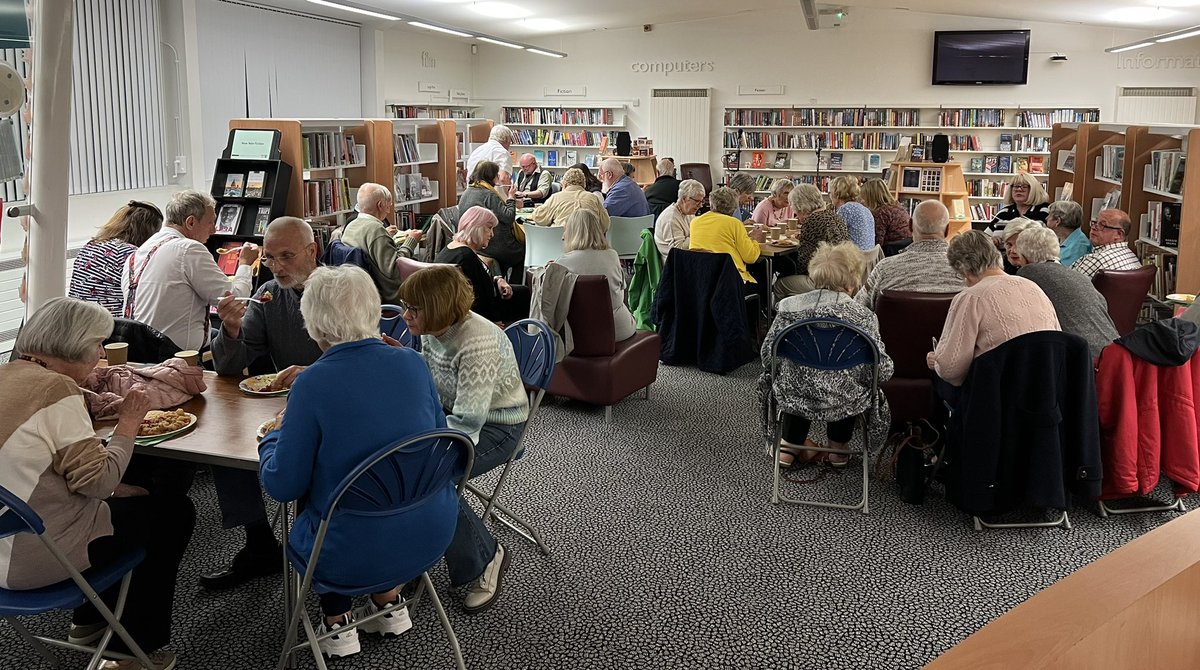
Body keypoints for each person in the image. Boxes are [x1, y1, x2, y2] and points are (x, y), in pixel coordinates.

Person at [257, 265, 486, 659]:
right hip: (429, 532)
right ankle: (389, 603)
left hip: (348, 551)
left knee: (324, 502)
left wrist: (273, 436)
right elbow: (433, 446)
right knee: (378, 487)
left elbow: (282, 485)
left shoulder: (312, 384)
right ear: (373, 313)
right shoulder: (412, 363)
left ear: (313, 325)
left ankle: (337, 625)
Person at [0, 298, 194, 670]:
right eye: (97, 343)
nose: (102, 353)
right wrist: (130, 422)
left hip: (8, 538)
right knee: (172, 512)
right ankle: (137, 649)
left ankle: (89, 620)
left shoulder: (7, 375)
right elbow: (99, 482)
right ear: (73, 343)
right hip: (34, 560)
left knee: (131, 499)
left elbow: (41, 472)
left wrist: (116, 489)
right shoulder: (56, 390)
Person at [200, 218, 325, 591]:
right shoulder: (269, 295)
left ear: (312, 250)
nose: (278, 266)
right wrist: (232, 330)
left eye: (286, 256)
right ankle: (258, 541)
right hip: (287, 406)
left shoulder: (342, 288)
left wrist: (318, 373)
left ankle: (315, 549)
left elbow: (366, 353)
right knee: (224, 444)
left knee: (312, 462)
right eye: (270, 258)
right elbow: (227, 368)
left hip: (337, 400)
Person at [399, 266, 527, 610]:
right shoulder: (430, 329)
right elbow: (429, 384)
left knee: (429, 479)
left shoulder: (477, 340)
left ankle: (486, 557)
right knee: (403, 470)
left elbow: (470, 420)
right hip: (450, 420)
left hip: (499, 427)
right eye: (405, 306)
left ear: (438, 307)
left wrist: (424, 448)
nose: (405, 315)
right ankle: (416, 556)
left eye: (414, 309)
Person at [759, 242, 893, 467]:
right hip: (845, 401)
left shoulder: (788, 308)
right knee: (850, 381)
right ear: (852, 281)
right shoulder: (863, 317)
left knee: (796, 374)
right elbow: (883, 370)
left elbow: (767, 357)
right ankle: (838, 449)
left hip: (794, 396)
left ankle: (789, 447)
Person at [122, 189, 259, 352]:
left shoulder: (139, 252)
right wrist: (245, 264)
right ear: (191, 222)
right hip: (174, 356)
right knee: (251, 340)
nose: (214, 230)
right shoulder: (189, 249)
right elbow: (235, 300)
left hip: (138, 350)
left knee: (217, 335)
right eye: (210, 222)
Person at [927, 230, 1060, 387]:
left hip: (998, 394)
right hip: (1046, 387)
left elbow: (951, 370)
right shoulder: (1034, 287)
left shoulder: (971, 297)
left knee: (940, 380)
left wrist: (937, 360)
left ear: (964, 270)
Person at [1013, 226, 1118, 360]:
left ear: (1025, 258)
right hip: (1114, 350)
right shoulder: (1077, 275)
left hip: (1086, 360)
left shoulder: (1028, 273)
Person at [856, 200, 964, 309]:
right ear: (947, 230)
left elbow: (857, 308)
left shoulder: (884, 269)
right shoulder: (967, 273)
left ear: (910, 225)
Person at [435, 206, 530, 324]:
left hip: (456, 312)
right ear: (477, 228)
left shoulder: (452, 248)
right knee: (525, 294)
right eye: (489, 228)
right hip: (479, 317)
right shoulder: (466, 257)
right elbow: (479, 300)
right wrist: (493, 322)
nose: (492, 234)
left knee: (522, 292)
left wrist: (497, 280)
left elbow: (479, 282)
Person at [69, 200, 163, 318]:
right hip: (109, 326)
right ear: (148, 232)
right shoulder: (131, 254)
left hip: (78, 319)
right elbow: (146, 298)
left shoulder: (91, 245)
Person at [554, 209, 637, 341]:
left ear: (571, 233)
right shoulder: (613, 256)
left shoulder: (562, 263)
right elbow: (621, 290)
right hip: (619, 330)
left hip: (579, 335)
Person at [339, 183, 422, 302]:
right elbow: (395, 270)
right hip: (386, 294)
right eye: (388, 206)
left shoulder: (351, 225)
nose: (388, 210)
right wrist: (411, 241)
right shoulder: (376, 230)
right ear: (380, 205)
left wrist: (386, 237)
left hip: (358, 292)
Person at [775, 184, 851, 298]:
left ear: (800, 206)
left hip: (825, 280)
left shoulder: (812, 220)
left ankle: (787, 314)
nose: (795, 212)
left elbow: (804, 263)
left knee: (780, 284)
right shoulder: (834, 216)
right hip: (843, 276)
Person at [459, 160, 525, 278]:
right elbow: (508, 217)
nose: (498, 178)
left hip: (473, 242)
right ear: (491, 176)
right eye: (496, 175)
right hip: (491, 244)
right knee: (523, 252)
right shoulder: (489, 194)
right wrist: (511, 198)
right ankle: (515, 288)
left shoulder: (466, 193)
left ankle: (501, 277)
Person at [688, 186, 765, 285]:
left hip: (702, 279)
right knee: (762, 274)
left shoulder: (695, 222)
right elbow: (750, 257)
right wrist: (755, 240)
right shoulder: (734, 223)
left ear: (711, 204)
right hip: (730, 280)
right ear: (734, 207)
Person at [529, 167, 611, 231]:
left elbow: (538, 218)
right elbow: (605, 224)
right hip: (590, 246)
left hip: (561, 245)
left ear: (564, 184)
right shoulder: (593, 198)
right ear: (584, 184)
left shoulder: (556, 197)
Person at [1072, 208, 1141, 278]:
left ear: (1119, 234)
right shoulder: (1132, 256)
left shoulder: (1097, 259)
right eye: (1094, 222)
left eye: (1102, 225)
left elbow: (1068, 286)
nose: (1093, 227)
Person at [653, 178, 705, 260]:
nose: (701, 205)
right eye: (697, 201)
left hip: (688, 257)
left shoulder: (688, 212)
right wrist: (699, 236)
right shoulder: (670, 218)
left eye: (702, 201)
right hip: (675, 264)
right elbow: (678, 249)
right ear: (684, 199)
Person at [829, 175, 875, 250]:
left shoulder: (845, 209)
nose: (830, 196)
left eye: (830, 193)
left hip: (854, 258)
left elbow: (835, 239)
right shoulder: (865, 209)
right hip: (869, 257)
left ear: (837, 194)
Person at [860, 178, 911, 246]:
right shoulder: (896, 204)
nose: (862, 201)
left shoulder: (880, 213)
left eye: (864, 197)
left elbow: (877, 243)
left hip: (892, 249)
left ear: (871, 197)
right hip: (905, 245)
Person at [1046, 200, 1092, 268]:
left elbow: (1060, 272)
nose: (1046, 218)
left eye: (1049, 215)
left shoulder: (1079, 247)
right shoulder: (1060, 237)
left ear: (1057, 221)